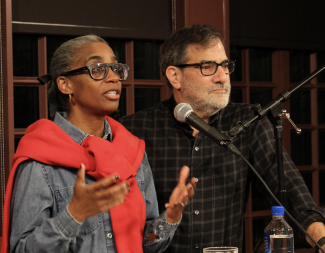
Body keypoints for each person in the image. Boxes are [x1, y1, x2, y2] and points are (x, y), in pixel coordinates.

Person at [119, 23, 325, 253]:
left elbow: (291, 192)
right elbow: (119, 225)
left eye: (225, 66)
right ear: (175, 76)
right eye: (207, 67)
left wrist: (321, 239)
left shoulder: (248, 121)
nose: (222, 77)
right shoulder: (134, 130)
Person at [1, 35, 196, 253]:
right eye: (98, 68)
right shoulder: (41, 160)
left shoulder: (133, 152)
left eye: (115, 68)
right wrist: (73, 215)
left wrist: (170, 218)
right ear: (65, 84)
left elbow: (146, 245)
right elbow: (20, 249)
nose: (113, 77)